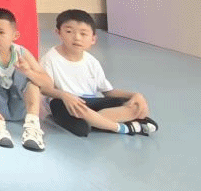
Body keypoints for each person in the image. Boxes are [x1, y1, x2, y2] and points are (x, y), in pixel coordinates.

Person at [35, 9, 157, 137]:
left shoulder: (92, 62)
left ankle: (96, 121)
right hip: (65, 103)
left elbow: (108, 92)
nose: (77, 37)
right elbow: (45, 89)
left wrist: (135, 95)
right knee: (77, 122)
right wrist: (64, 95)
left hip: (90, 105)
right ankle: (122, 127)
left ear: (93, 39)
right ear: (58, 33)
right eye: (69, 32)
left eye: (83, 34)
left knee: (133, 104)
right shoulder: (50, 58)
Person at [0, 8, 45, 151]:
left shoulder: (21, 52)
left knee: (32, 79)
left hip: (17, 109)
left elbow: (47, 83)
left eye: (1, 32)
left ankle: (32, 126)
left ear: (15, 35)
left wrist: (28, 72)